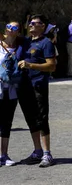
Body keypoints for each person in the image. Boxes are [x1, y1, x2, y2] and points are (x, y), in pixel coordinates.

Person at [18, 14, 58, 167]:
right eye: (30, 23)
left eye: (36, 23)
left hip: (38, 85)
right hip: (24, 85)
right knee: (30, 119)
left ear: (43, 26)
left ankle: (47, 154)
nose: (32, 25)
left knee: (41, 118)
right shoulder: (26, 41)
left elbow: (52, 66)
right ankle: (37, 151)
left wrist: (31, 66)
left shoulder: (46, 43)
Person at [0, 21, 25, 167]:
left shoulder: (20, 48)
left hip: (11, 89)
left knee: (6, 122)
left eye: (15, 27)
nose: (11, 29)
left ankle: (4, 154)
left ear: (18, 32)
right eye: (9, 27)